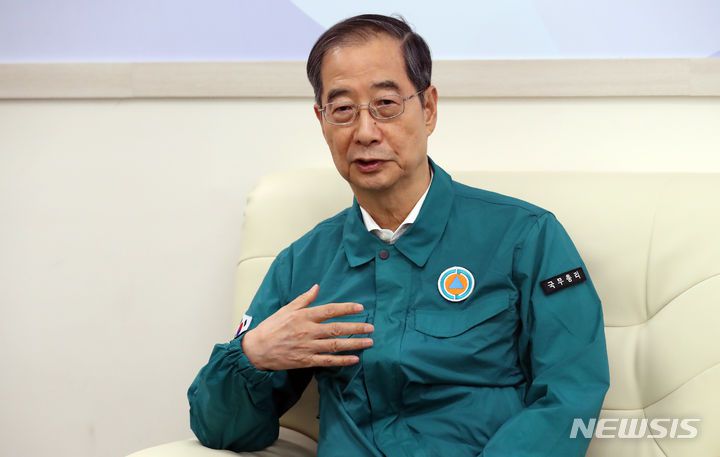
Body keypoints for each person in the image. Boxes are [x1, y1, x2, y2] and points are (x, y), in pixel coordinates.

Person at [188, 14, 609, 457]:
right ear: (321, 120)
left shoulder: (525, 237)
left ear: (428, 109)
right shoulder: (303, 264)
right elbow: (223, 432)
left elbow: (571, 394)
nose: (365, 132)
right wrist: (252, 354)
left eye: (386, 104)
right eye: (343, 110)